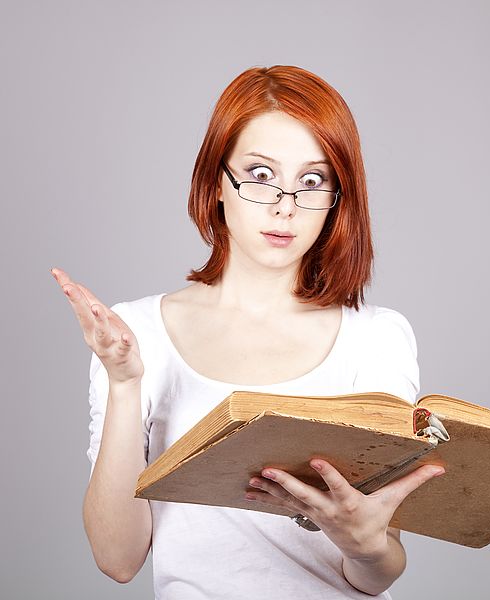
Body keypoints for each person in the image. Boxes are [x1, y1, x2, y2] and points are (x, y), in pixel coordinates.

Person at [51, 65, 445, 599]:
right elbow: (117, 559)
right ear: (217, 182)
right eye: (261, 175)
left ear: (336, 198)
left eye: (312, 181)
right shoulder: (135, 334)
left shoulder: (376, 337)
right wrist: (125, 383)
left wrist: (364, 544)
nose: (286, 205)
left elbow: (378, 572)